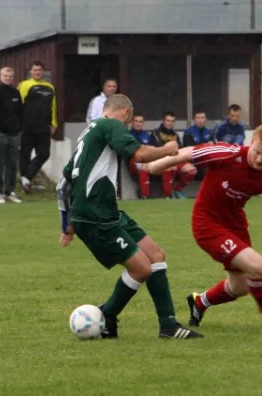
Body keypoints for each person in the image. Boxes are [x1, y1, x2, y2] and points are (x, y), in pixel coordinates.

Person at [57, 94, 202, 339]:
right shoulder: (110, 124)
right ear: (125, 114)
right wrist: (168, 149)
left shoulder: (88, 132)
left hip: (107, 213)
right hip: (96, 217)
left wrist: (66, 224)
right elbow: (139, 155)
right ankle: (105, 316)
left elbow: (63, 182)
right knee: (141, 269)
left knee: (156, 255)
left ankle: (168, 325)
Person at [144, 123, 262, 332]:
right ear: (251, 142)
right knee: (256, 264)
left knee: (241, 286)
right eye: (257, 152)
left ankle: (200, 302)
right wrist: (157, 165)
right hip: (206, 222)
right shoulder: (226, 153)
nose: (259, 160)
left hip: (235, 224)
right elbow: (189, 152)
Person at [18, 61, 57, 193]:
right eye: (34, 70)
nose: (37, 72)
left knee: (44, 154)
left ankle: (27, 178)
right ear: (31, 72)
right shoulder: (25, 85)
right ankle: (25, 182)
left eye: (39, 70)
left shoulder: (49, 87)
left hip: (44, 127)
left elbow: (53, 107)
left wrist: (54, 123)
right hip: (28, 126)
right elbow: (19, 105)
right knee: (25, 154)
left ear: (43, 72)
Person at [0, 67, 23, 204]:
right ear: (0, 76)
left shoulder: (15, 93)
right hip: (0, 134)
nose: (8, 78)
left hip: (15, 134)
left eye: (10, 76)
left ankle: (10, 191)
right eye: (5, 75)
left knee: (12, 163)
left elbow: (20, 112)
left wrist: (20, 128)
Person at [150, 111, 197, 199]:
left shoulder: (175, 135)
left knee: (192, 170)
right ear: (163, 121)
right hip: (161, 160)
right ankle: (168, 195)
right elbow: (155, 151)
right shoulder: (155, 133)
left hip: (175, 160)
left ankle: (178, 190)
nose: (170, 123)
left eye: (172, 121)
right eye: (168, 120)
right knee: (170, 167)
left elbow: (180, 150)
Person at [128, 113, 175, 199]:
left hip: (147, 160)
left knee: (164, 166)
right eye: (136, 121)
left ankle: (168, 196)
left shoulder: (147, 136)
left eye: (140, 122)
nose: (138, 124)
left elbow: (152, 150)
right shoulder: (127, 135)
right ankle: (144, 196)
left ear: (143, 123)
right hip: (133, 161)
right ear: (132, 123)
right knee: (144, 166)